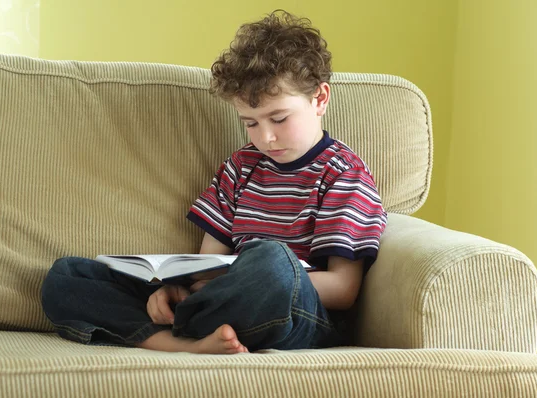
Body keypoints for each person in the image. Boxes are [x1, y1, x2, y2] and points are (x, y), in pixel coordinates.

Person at [41, 10, 387, 355]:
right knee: (67, 275)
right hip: (220, 305)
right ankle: (180, 340)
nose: (265, 138)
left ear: (320, 99)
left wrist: (232, 285)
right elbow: (206, 266)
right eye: (250, 123)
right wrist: (180, 289)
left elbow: (343, 289)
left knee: (272, 263)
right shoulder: (240, 167)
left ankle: (185, 322)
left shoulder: (343, 174)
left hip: (294, 315)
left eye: (278, 118)